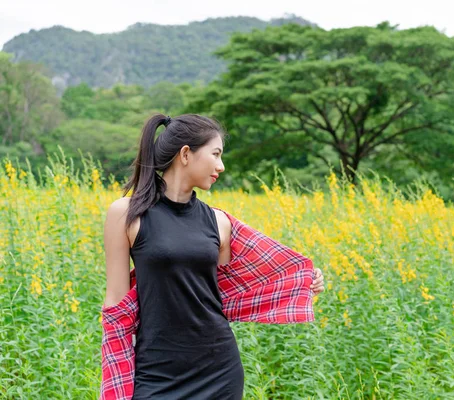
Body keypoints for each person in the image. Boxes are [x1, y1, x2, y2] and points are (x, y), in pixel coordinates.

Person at [102, 114, 325, 399]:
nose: (221, 166)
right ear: (186, 154)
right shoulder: (126, 213)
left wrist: (306, 278)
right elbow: (116, 306)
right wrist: (115, 380)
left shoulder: (219, 222)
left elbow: (238, 283)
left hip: (218, 369)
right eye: (216, 154)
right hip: (155, 371)